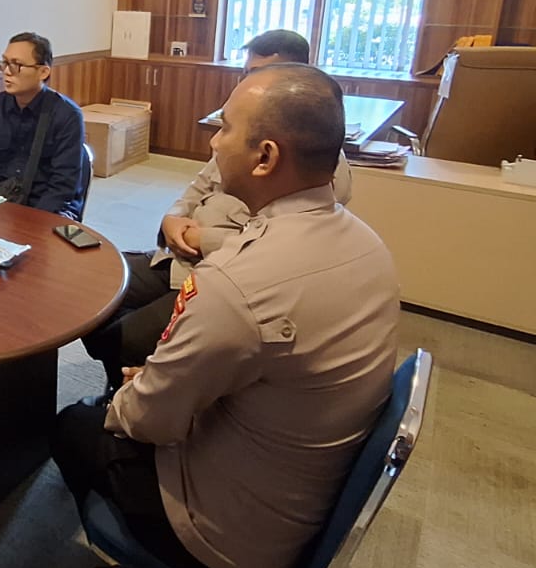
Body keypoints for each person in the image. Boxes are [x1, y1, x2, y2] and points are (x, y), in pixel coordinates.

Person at [52, 65, 399, 568]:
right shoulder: (367, 243)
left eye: (226, 128)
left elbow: (149, 423)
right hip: (307, 505)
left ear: (266, 157)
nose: (214, 142)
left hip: (230, 538)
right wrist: (167, 382)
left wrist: (140, 391)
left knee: (73, 426)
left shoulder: (237, 282)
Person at [81, 29, 351, 390]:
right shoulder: (241, 136)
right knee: (93, 287)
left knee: (123, 338)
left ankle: (131, 386)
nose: (249, 84)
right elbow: (199, 185)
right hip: (178, 255)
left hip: (218, 275)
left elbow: (279, 250)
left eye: (261, 74)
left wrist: (201, 238)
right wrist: (173, 217)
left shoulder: (316, 166)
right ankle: (125, 378)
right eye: (247, 74)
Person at [0, 32, 87, 219]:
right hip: (4, 201)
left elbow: (63, 187)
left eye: (17, 65)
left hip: (51, 208)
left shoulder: (66, 115)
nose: (7, 71)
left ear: (43, 72)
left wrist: (30, 221)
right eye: (4, 63)